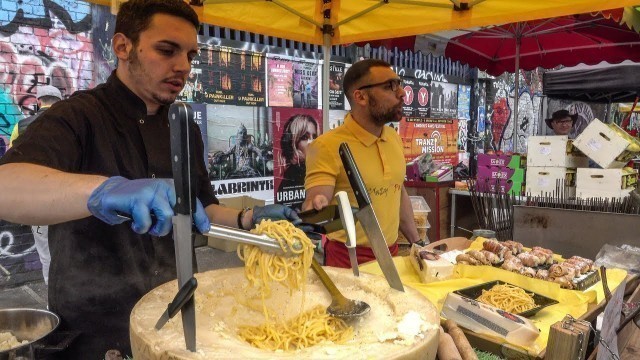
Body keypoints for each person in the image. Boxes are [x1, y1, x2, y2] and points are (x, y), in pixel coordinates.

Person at [0, 0, 300, 357]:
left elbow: (202, 209)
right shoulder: (79, 115)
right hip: (95, 331)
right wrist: (102, 190)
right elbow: (8, 185)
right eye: (167, 50)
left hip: (175, 313)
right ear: (123, 47)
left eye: (190, 55)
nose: (183, 67)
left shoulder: (185, 127)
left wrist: (248, 219)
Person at [302, 59, 424, 268]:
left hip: (391, 258)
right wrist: (316, 203)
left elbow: (397, 191)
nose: (402, 93)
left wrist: (419, 244)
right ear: (361, 96)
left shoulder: (393, 138)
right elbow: (316, 199)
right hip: (348, 262)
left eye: (399, 84)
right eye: (390, 86)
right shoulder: (327, 145)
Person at [9, 85, 64, 285]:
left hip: (37, 200)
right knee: (69, 251)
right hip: (67, 199)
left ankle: (52, 300)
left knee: (46, 254)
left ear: (39, 101)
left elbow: (11, 164)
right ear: (59, 102)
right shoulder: (67, 125)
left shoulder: (20, 127)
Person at [277, 114, 319, 211]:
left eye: (314, 137)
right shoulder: (292, 179)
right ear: (293, 144)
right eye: (304, 137)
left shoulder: (316, 171)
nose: (312, 142)